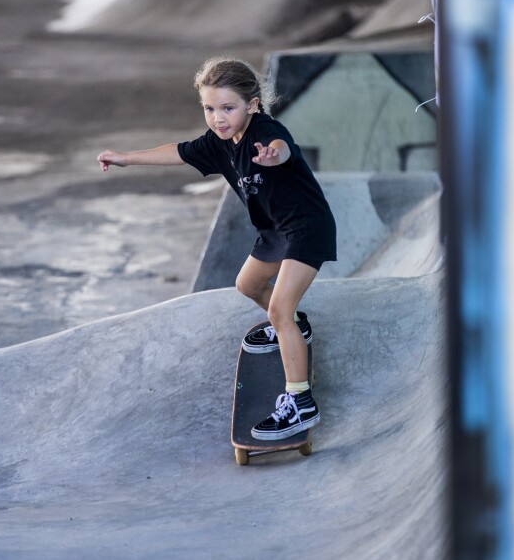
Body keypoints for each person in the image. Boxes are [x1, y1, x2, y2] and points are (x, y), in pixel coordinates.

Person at [97, 57, 336, 441]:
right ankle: (295, 329)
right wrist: (126, 158)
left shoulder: (265, 129)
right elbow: (178, 151)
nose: (218, 118)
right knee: (247, 285)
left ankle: (300, 402)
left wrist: (275, 156)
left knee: (279, 309)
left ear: (252, 105)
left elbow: (281, 146)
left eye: (228, 108)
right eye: (210, 109)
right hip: (275, 231)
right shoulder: (218, 144)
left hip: (307, 228)